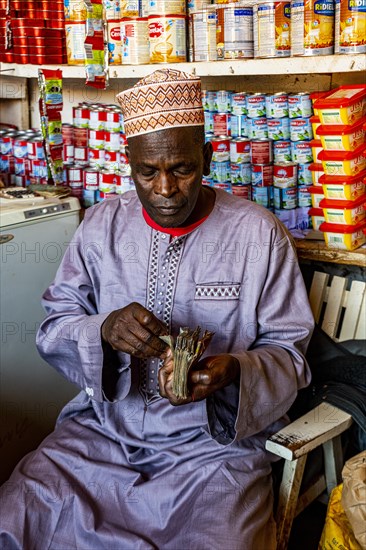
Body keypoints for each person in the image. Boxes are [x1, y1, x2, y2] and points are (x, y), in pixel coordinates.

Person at [0, 69, 314, 549]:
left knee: (227, 539)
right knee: (19, 512)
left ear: (206, 158)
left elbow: (289, 352)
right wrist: (102, 330)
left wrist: (235, 370)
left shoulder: (258, 233)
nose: (166, 189)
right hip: (103, 436)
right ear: (129, 165)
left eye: (182, 169)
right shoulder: (101, 224)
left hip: (210, 452)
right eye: (149, 172)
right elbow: (54, 327)